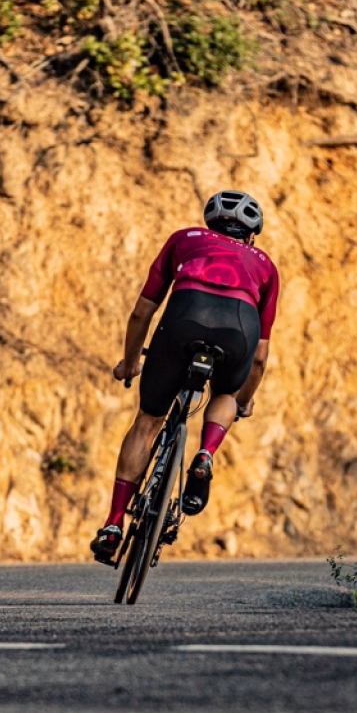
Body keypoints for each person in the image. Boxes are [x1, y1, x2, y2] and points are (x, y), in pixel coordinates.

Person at [91, 191, 278, 564]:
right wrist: (242, 400)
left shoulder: (184, 239)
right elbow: (259, 358)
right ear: (252, 235)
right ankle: (206, 453)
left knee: (147, 421)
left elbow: (141, 313)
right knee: (225, 392)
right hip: (239, 328)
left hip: (183, 316)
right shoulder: (265, 265)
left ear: (209, 222)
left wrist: (130, 363)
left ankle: (113, 523)